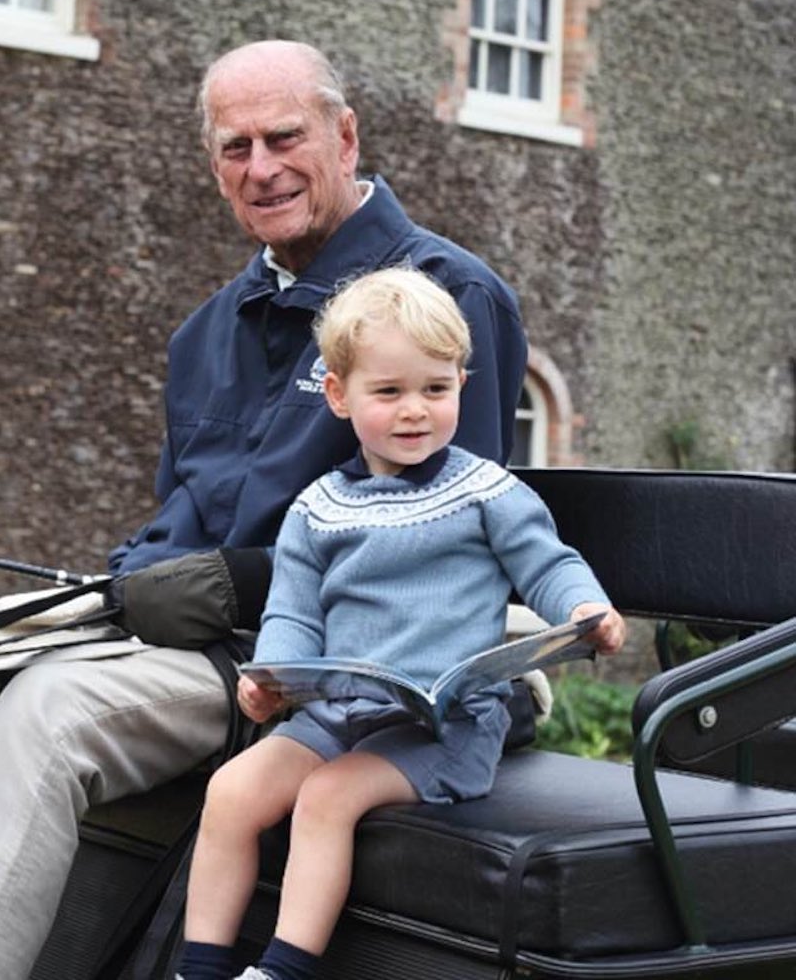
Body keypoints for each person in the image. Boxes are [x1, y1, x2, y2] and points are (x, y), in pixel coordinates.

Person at [0, 40, 529, 980]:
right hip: (175, 636)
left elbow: (455, 538)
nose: (262, 168)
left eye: (284, 137)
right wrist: (132, 577)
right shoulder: (206, 331)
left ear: (344, 135)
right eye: (234, 148)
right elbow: (182, 515)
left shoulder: (448, 298)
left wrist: (232, 583)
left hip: (312, 672)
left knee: (47, 712)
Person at [176, 267, 625, 980]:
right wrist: (270, 681)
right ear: (339, 395)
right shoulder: (318, 508)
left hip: (445, 727)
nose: (415, 410)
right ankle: (199, 966)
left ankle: (283, 969)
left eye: (435, 389)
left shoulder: (486, 492)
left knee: (328, 796)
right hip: (337, 714)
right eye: (388, 392)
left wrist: (584, 609)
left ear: (460, 386)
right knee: (233, 789)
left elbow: (547, 566)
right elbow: (293, 614)